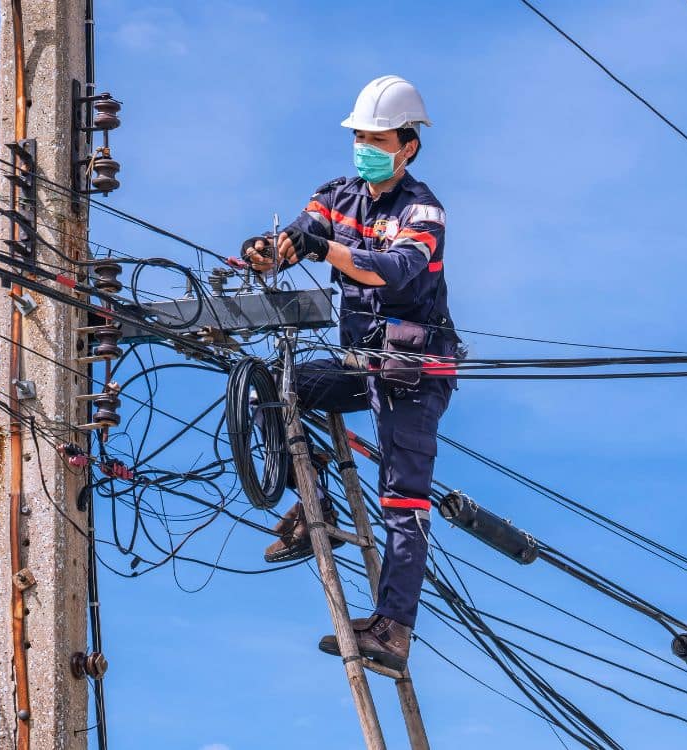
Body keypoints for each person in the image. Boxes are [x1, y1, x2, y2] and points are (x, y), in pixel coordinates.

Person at [242, 75, 459, 671]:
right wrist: (271, 250)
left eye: (376, 137)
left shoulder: (423, 211)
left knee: (403, 500)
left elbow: (389, 271)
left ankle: (392, 633)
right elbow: (298, 235)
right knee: (267, 389)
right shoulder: (338, 196)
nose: (364, 146)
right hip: (359, 363)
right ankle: (312, 501)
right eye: (359, 136)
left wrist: (324, 250)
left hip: (414, 371)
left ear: (407, 144)